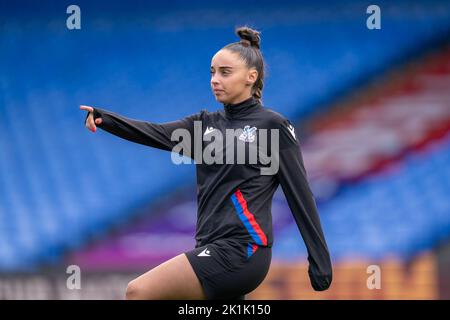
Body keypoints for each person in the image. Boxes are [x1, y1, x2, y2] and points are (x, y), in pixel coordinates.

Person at [80, 26, 332, 300]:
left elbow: (300, 195)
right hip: (210, 245)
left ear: (251, 77)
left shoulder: (273, 126)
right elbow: (153, 132)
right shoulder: (203, 126)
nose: (215, 79)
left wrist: (319, 259)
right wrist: (106, 119)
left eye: (225, 72)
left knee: (138, 291)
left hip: (244, 250)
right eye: (212, 72)